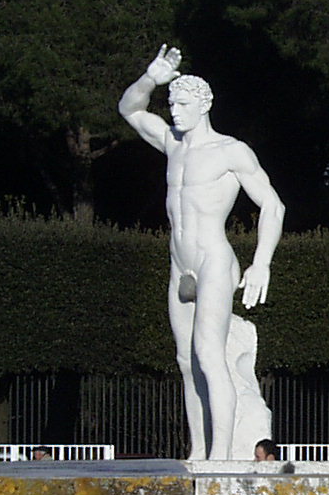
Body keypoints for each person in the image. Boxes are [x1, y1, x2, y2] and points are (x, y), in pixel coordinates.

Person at [118, 44, 285, 460]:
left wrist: (261, 263)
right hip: (180, 265)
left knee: (210, 356)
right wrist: (150, 78)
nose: (174, 112)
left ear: (204, 106)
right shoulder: (172, 144)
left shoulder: (230, 151)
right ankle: (199, 450)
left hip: (213, 260)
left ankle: (221, 457)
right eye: (172, 103)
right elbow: (129, 109)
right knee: (187, 361)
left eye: (183, 105)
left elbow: (273, 205)